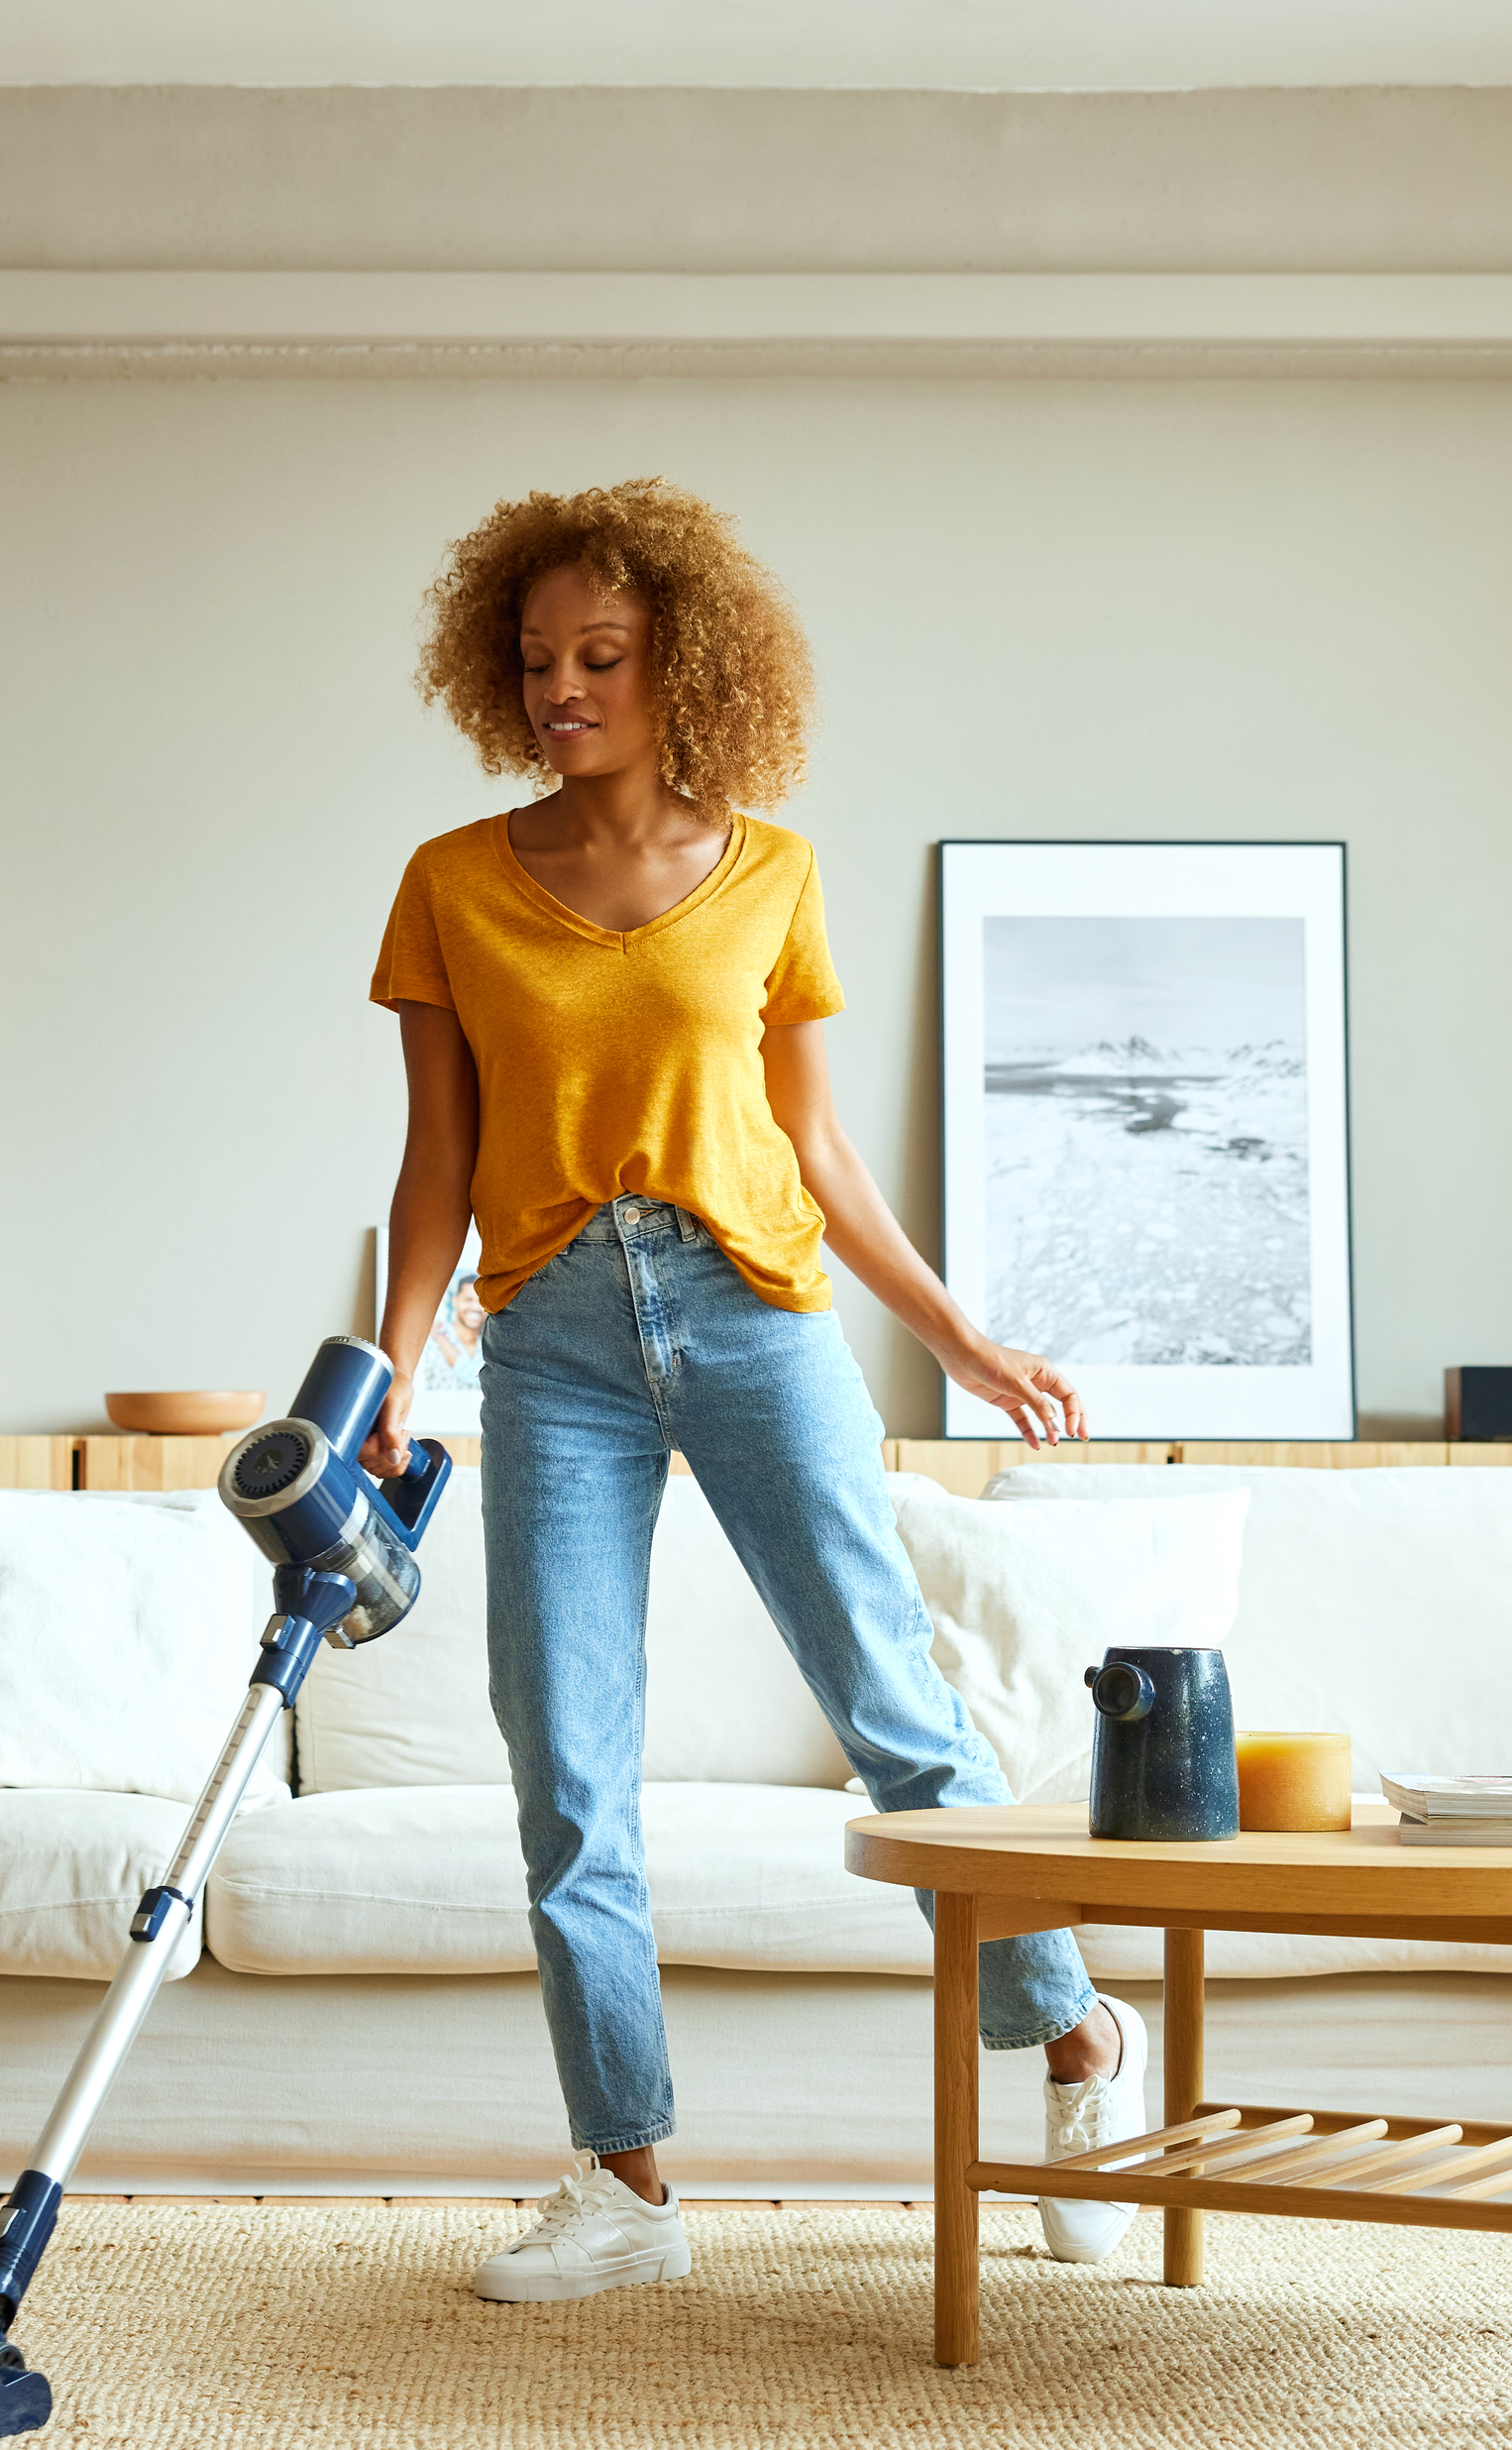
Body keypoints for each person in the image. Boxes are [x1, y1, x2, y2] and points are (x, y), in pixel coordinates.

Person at [361, 479, 1146, 2304]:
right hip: (549, 1336)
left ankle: (1079, 2043)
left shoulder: (774, 870)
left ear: (680, 666)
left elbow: (815, 1146)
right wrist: (387, 1376)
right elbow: (431, 1163)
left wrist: (957, 1336)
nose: (565, 687)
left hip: (756, 1313)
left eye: (603, 657)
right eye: (540, 658)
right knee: (565, 1760)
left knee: (898, 1703)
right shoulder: (453, 884)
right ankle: (625, 2177)